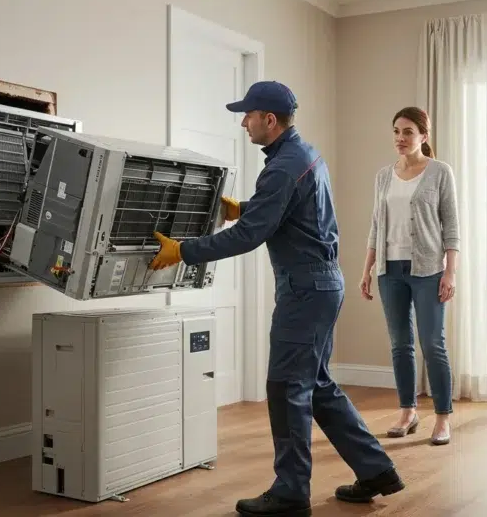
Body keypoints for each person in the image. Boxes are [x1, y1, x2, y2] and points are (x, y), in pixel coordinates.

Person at [150, 81, 404, 517]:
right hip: (321, 285)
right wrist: (245, 206)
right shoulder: (302, 156)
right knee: (316, 385)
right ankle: (376, 469)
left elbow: (252, 236)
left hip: (305, 289)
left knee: (287, 387)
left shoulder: (283, 166)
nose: (243, 122)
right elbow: (287, 209)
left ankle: (290, 492)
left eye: (248, 115)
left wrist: (183, 250)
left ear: (270, 119)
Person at [359, 106, 459, 446]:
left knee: (433, 344)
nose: (400, 138)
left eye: (408, 132)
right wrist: (368, 268)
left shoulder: (440, 172)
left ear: (423, 137)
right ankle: (408, 411)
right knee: (400, 345)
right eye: (397, 132)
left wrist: (451, 272)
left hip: (429, 269)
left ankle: (443, 417)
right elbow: (376, 225)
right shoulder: (384, 176)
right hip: (391, 269)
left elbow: (452, 228)